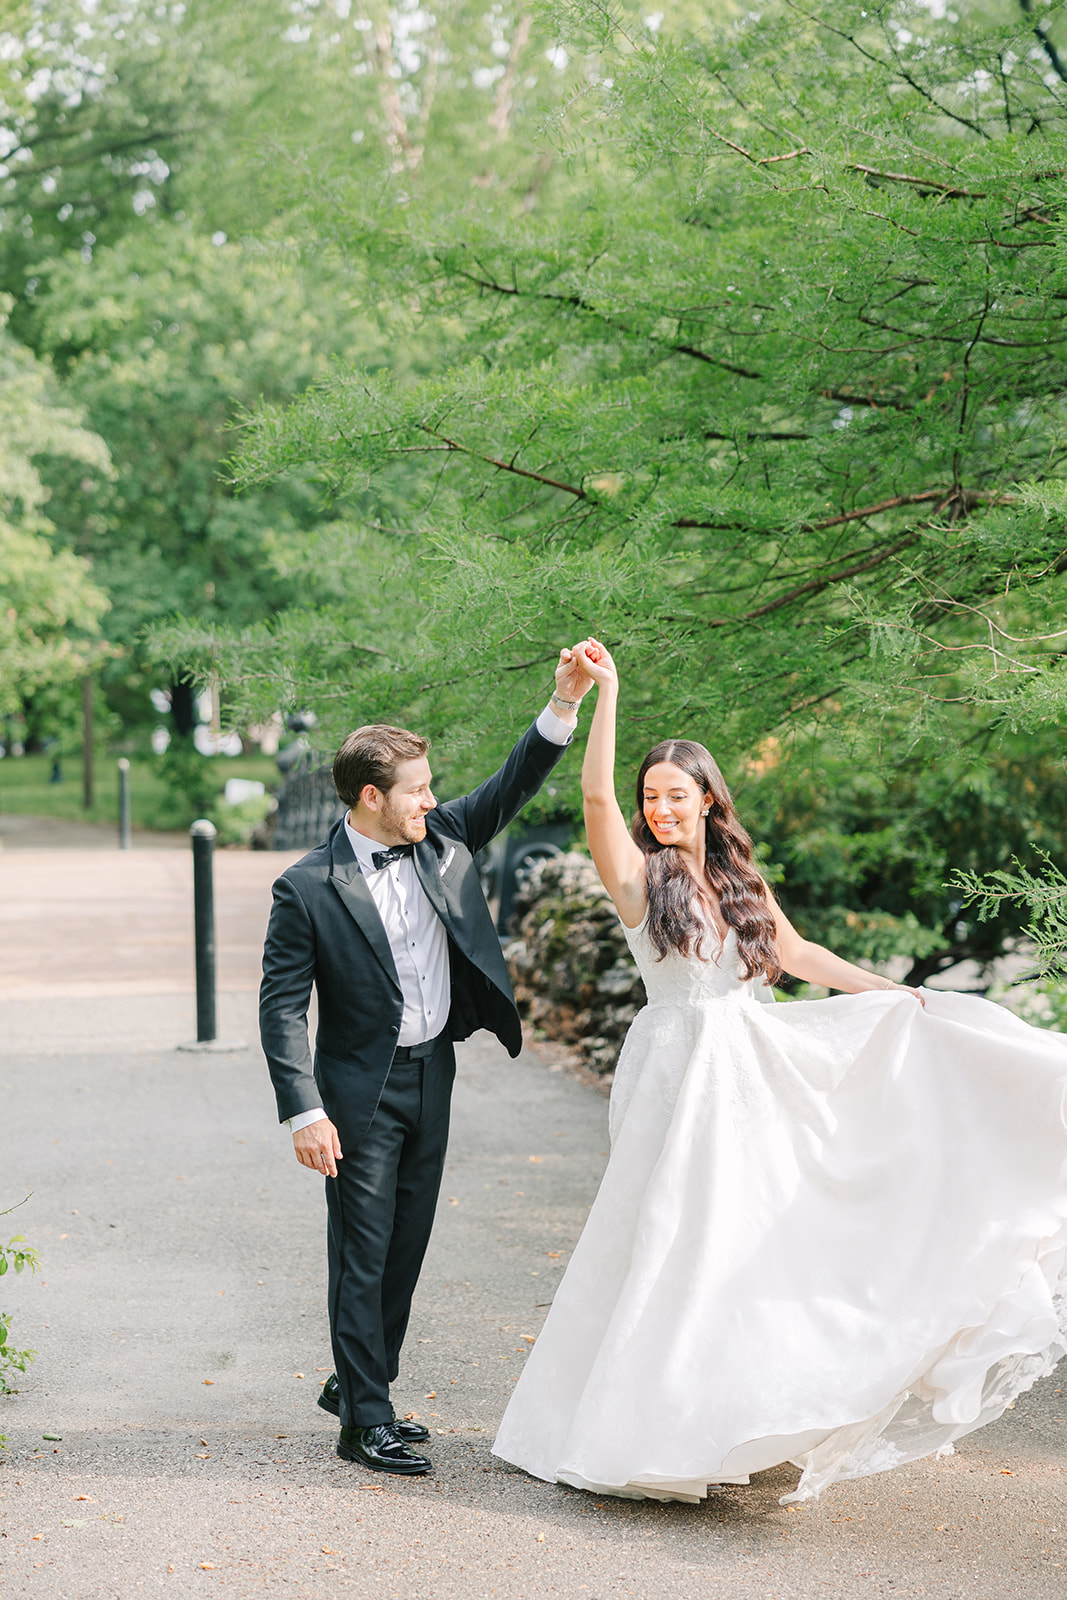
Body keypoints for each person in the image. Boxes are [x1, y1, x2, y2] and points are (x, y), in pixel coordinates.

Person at [493, 638, 1067, 1504]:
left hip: (750, 1069)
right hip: (674, 1075)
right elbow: (592, 794)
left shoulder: (735, 879)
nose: (658, 811)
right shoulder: (636, 880)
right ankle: (646, 1427)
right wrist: (603, 694)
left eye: (675, 797)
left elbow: (796, 952)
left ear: (708, 800)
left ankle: (738, 1420)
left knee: (751, 1245)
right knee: (668, 1247)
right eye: (652, 799)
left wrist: (892, 993)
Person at [260, 648, 594, 1475]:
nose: (433, 798)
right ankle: (364, 1419)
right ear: (372, 797)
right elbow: (279, 1007)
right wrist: (306, 1111)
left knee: (406, 1244)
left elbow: (512, 784)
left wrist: (563, 702)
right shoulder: (306, 887)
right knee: (363, 1249)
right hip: (357, 1093)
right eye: (417, 788)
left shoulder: (442, 839)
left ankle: (358, 1384)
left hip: (432, 1073)